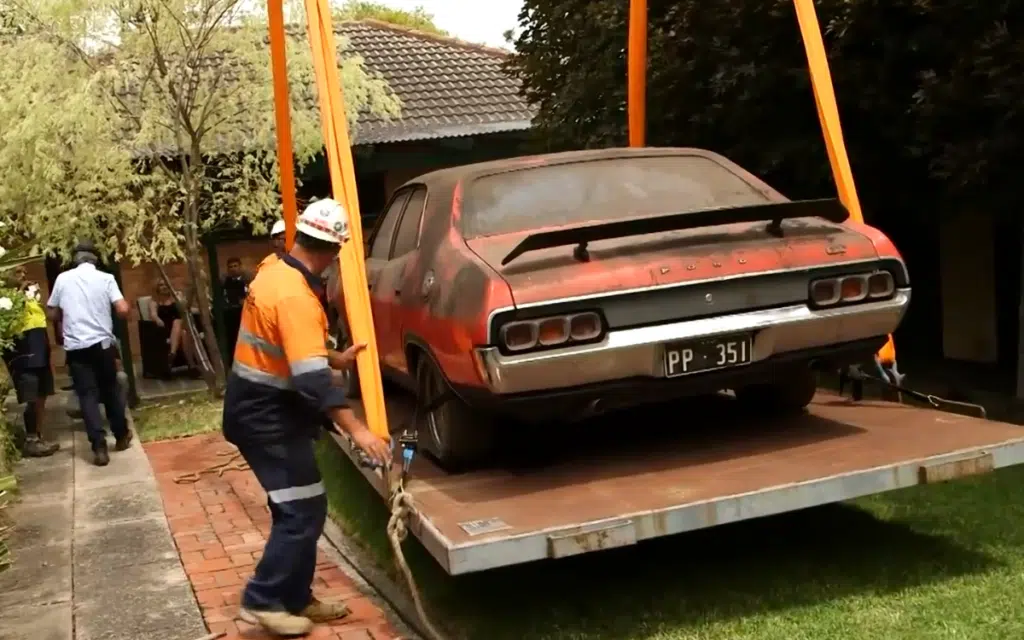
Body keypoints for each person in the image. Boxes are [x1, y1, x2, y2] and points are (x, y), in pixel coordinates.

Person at [222, 198, 390, 637]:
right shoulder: (296, 295)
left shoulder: (274, 270)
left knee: (301, 507)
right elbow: (311, 382)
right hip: (265, 419)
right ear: (335, 252)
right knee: (301, 513)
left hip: (263, 411)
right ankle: (261, 600)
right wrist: (359, 432)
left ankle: (294, 598)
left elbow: (287, 342)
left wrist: (334, 356)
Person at [47, 242, 132, 467]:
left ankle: (99, 447)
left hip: (76, 348)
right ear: (94, 259)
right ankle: (121, 435)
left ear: (75, 259)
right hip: (102, 345)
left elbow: (53, 313)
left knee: (87, 395)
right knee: (110, 388)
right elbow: (122, 309)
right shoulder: (106, 279)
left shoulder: (62, 279)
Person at [1, 266, 60, 457]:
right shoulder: (5, 297)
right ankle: (31, 439)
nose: (23, 275)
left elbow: (44, 317)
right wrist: (19, 293)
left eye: (24, 272)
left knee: (43, 392)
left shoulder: (29, 294)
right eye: (17, 272)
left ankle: (38, 436)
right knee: (31, 394)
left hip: (39, 344)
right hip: (23, 350)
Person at [148, 279, 197, 374]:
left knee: (178, 322)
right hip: (165, 329)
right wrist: (157, 320)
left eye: (166, 284)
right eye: (161, 285)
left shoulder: (176, 296)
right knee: (183, 333)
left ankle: (172, 354)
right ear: (157, 288)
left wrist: (179, 298)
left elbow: (186, 308)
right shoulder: (154, 301)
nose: (164, 286)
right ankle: (192, 366)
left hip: (181, 325)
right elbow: (153, 314)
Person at [222, 257, 251, 366]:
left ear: (240, 266)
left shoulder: (247, 280)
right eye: (231, 267)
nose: (233, 269)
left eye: (235, 266)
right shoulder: (225, 282)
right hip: (230, 313)